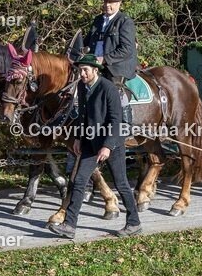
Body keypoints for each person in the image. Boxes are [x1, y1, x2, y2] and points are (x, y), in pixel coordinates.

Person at [49, 54, 142, 240]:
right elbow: (82, 115)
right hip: (89, 142)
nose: (82, 74)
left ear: (95, 70)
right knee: (78, 181)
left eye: (85, 70)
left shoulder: (108, 88)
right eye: (80, 70)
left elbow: (116, 120)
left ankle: (134, 223)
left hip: (111, 143)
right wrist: (78, 138)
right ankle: (69, 225)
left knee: (121, 184)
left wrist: (107, 146)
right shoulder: (82, 87)